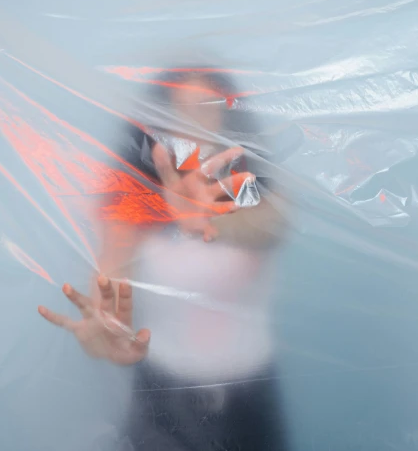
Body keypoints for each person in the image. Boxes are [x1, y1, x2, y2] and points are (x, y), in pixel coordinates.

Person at [38, 68, 289, 451]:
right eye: (182, 111)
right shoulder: (129, 202)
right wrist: (101, 340)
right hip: (164, 395)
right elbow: (108, 290)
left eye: (208, 109)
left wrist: (210, 217)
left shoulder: (252, 187)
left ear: (229, 117)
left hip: (250, 392)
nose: (195, 123)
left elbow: (274, 225)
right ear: (159, 122)